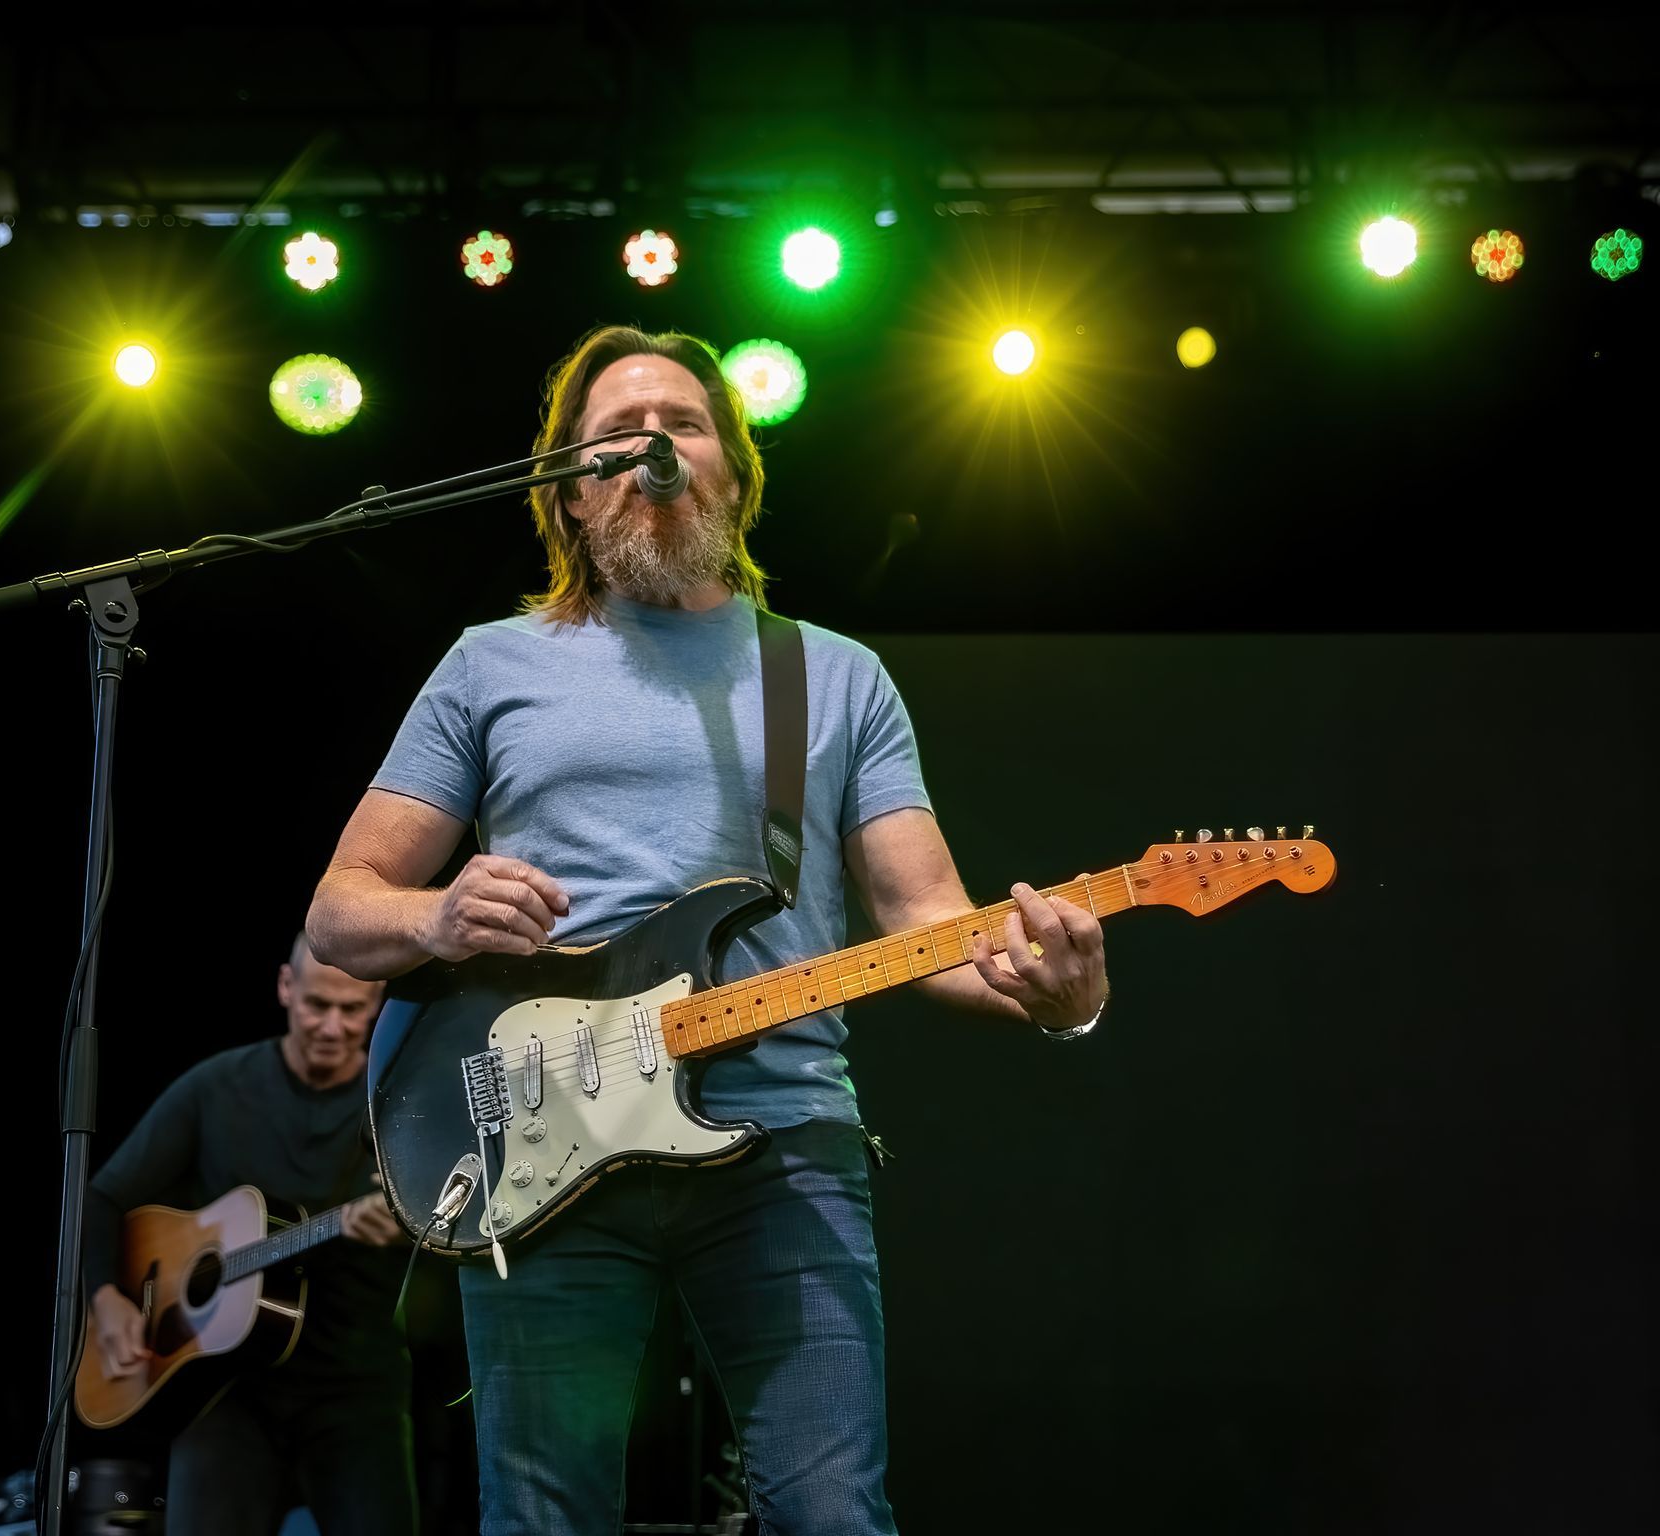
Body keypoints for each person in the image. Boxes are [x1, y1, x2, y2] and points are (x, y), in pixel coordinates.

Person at [305, 325, 1109, 1535]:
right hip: (539, 1148)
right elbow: (339, 913)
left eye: (682, 426)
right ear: (569, 493)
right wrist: (439, 909)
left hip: (787, 1142)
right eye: (617, 437)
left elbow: (931, 922)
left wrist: (1058, 996)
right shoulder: (489, 666)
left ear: (732, 469)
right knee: (542, 1515)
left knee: (830, 1511)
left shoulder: (834, 677)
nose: (653, 449)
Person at [83, 934, 418, 1536]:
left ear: (377, 1003)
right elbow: (105, 1197)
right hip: (224, 1393)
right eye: (318, 1004)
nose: (333, 1026)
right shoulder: (216, 1087)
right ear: (286, 989)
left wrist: (410, 1226)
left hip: (356, 1387)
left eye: (351, 1009)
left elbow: (454, 1213)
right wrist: (105, 1297)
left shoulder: (399, 1105)